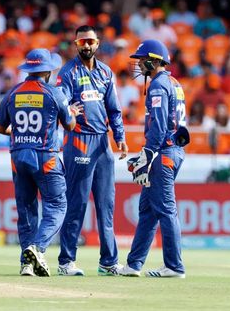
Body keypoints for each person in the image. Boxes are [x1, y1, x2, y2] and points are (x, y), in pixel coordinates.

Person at [0, 48, 82, 277]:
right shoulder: (54, 93)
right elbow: (70, 125)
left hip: (18, 157)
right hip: (46, 158)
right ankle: (38, 247)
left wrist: (22, 135)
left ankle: (26, 264)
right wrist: (71, 111)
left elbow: (1, 128)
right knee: (57, 205)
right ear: (47, 71)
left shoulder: (13, 93)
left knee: (26, 211)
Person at [57, 25, 128, 276]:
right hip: (79, 140)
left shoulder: (106, 72)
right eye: (82, 42)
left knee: (106, 205)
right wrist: (67, 111)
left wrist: (120, 137)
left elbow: (114, 110)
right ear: (76, 45)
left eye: (90, 41)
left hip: (103, 143)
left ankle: (108, 262)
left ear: (97, 43)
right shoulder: (67, 73)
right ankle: (66, 261)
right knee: (76, 204)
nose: (86, 46)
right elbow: (61, 102)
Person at [119, 39, 190, 278]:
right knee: (148, 210)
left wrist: (148, 153)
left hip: (163, 151)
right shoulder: (174, 83)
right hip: (172, 149)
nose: (139, 64)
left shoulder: (159, 85)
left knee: (166, 209)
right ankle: (133, 264)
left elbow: (159, 125)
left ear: (153, 60)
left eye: (141, 59)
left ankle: (174, 265)